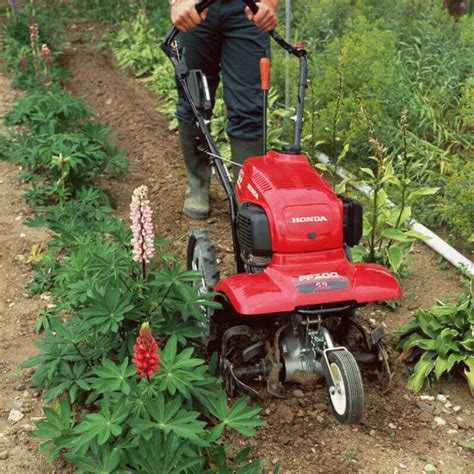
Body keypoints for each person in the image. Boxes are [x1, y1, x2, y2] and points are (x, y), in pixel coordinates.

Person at [169, 0, 280, 219]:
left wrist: (269, 2)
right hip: (195, 7)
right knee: (192, 100)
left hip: (248, 11)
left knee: (248, 107)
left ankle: (247, 195)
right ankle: (197, 183)